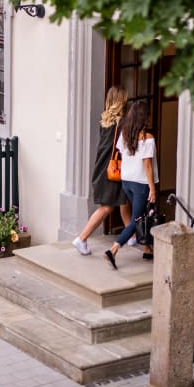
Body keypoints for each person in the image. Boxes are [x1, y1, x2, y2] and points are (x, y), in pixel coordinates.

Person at [72, 86, 131, 255]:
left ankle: (131, 235)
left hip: (103, 167)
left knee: (124, 199)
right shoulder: (123, 122)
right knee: (107, 207)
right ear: (122, 100)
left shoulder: (105, 120)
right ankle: (82, 238)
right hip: (113, 169)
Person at [104, 99, 157, 270]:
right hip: (141, 183)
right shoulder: (147, 138)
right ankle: (114, 249)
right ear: (145, 117)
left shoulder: (125, 135)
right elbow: (147, 165)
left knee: (141, 215)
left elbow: (122, 153)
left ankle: (147, 249)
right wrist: (153, 188)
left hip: (126, 181)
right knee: (138, 219)